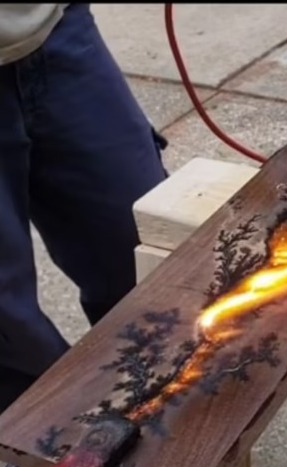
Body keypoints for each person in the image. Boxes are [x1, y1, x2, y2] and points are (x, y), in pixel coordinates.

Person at [0, 3, 168, 413]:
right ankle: (56, 436)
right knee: (10, 335)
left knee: (147, 245)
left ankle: (167, 413)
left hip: (51, 29)